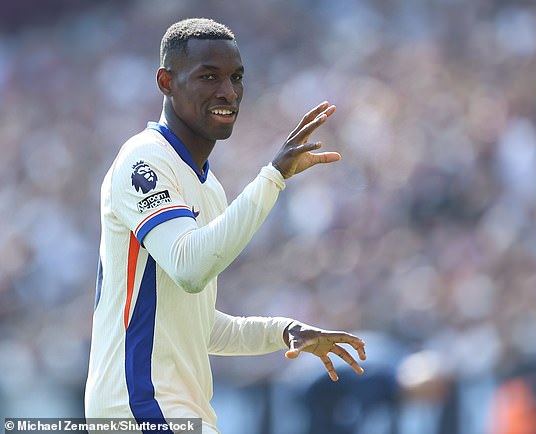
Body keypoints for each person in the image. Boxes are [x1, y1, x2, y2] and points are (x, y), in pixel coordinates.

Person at [84, 17, 366, 434]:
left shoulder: (207, 185)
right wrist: (273, 177)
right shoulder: (142, 160)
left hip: (172, 410)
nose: (228, 92)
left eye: (236, 78)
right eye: (208, 76)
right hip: (140, 406)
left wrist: (283, 330)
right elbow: (190, 268)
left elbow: (198, 325)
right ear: (166, 82)